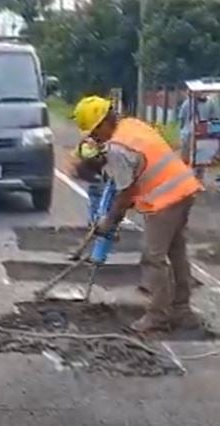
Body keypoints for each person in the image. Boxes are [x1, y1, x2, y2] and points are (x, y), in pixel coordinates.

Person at [72, 96, 204, 333]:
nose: (93, 137)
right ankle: (182, 310)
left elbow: (125, 192)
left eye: (93, 131)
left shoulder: (118, 148)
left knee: (153, 258)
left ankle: (158, 316)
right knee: (176, 251)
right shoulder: (131, 125)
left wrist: (109, 220)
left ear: (103, 122)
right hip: (184, 189)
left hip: (165, 199)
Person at [178, 92, 220, 180]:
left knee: (190, 159)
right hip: (201, 133)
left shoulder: (187, 103)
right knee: (200, 159)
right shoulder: (209, 102)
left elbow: (181, 119)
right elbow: (214, 117)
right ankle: (196, 179)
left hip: (189, 133)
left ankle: (189, 180)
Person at [69, 137, 107, 225]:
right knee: (97, 196)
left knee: (100, 197)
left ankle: (96, 219)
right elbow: (84, 155)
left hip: (101, 175)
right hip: (95, 176)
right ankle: (95, 220)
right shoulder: (86, 144)